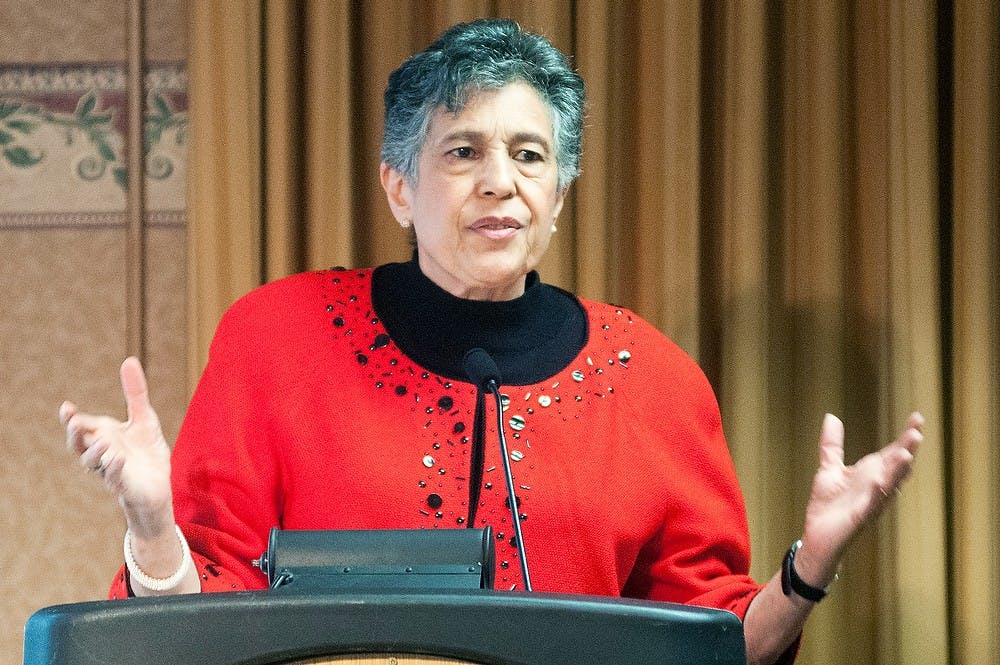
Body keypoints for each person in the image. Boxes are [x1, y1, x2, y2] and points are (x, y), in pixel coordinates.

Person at [60, 18, 922, 665]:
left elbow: (711, 643)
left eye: (530, 155)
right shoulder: (274, 339)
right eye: (464, 151)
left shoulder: (656, 379)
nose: (500, 182)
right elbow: (196, 624)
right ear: (400, 186)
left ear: (560, 193)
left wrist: (807, 568)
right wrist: (149, 523)